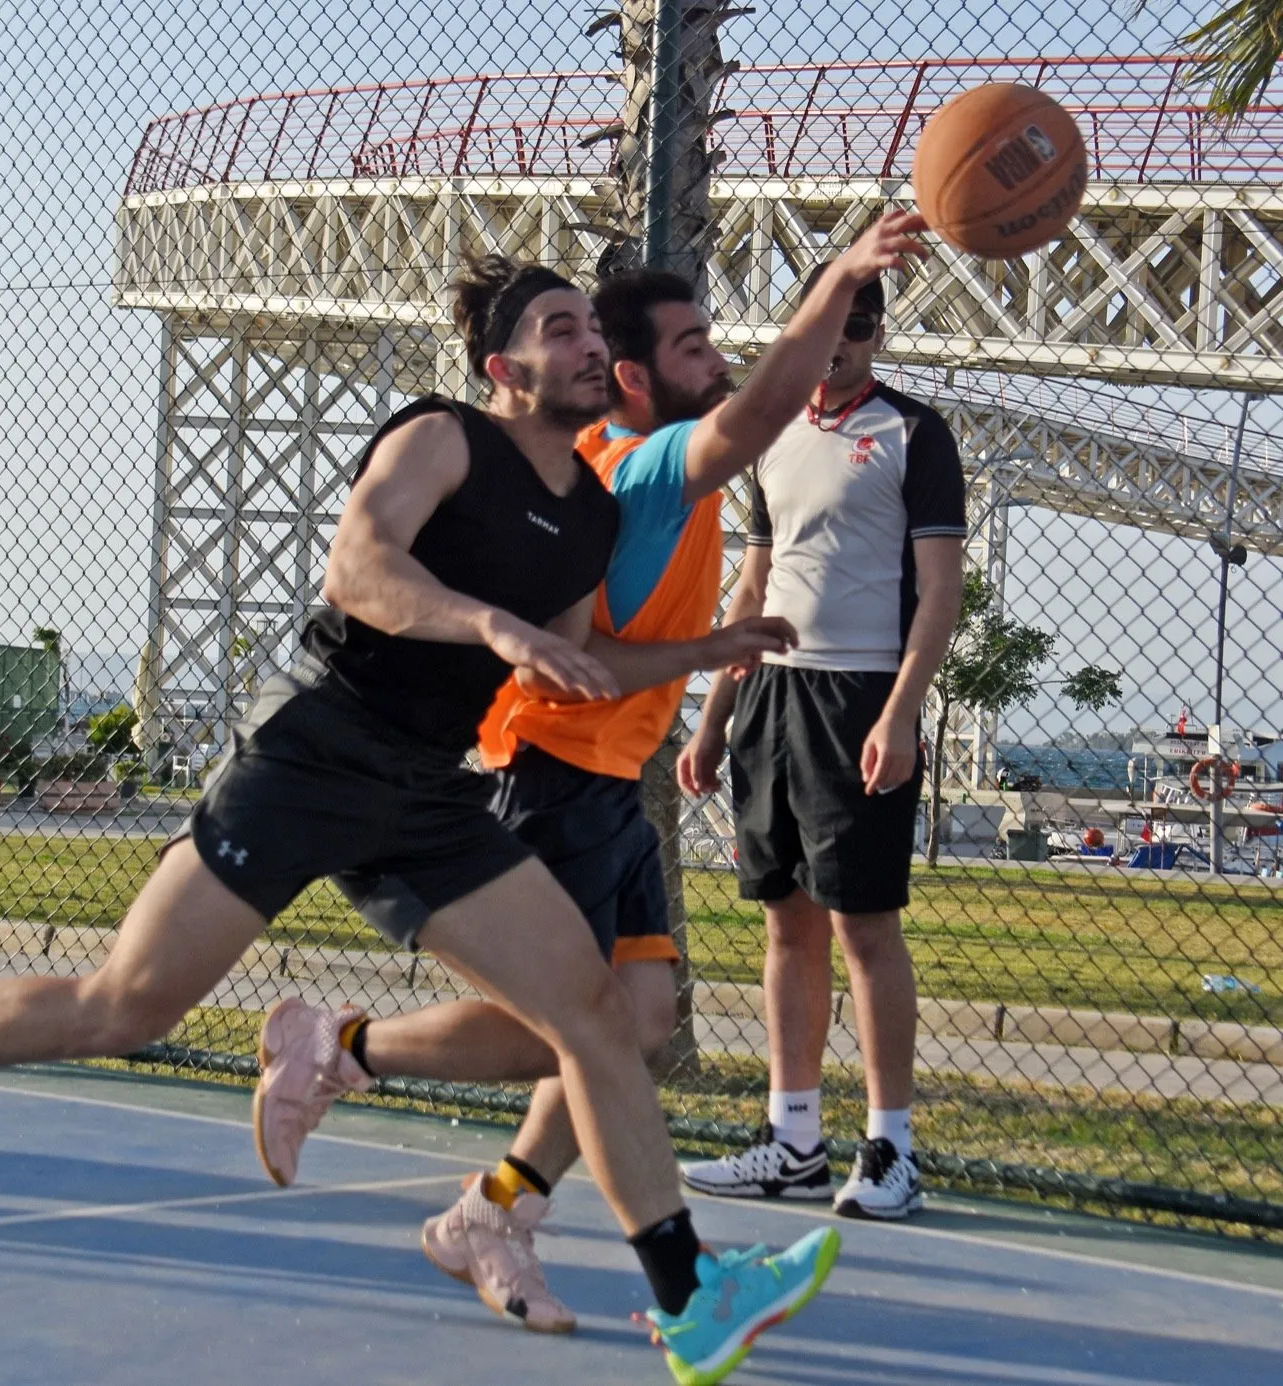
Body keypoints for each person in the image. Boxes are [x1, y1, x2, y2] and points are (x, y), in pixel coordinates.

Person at [0, 252, 833, 1386]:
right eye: (559, 331)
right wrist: (487, 625)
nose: (587, 347)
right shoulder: (442, 437)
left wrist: (702, 654)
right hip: (312, 750)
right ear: (503, 369)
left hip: (422, 790)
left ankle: (688, 1296)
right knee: (127, 1005)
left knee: (595, 1016)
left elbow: (580, 656)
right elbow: (360, 572)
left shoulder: (590, 515)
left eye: (588, 332)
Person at [251, 214, 931, 1334]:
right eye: (695, 348)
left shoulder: (640, 479)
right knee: (579, 1028)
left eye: (718, 343)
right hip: (551, 771)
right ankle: (342, 1048)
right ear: (629, 376)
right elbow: (762, 412)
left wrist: (708, 670)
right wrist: (845, 276)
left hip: (607, 782)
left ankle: (494, 1207)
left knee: (636, 1024)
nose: (719, 363)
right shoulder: (648, 466)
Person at [676, 255, 967, 1221]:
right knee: (784, 920)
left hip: (862, 695)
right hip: (772, 696)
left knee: (863, 926)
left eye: (854, 323)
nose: (836, 340)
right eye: (820, 321)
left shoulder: (914, 434)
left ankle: (891, 1149)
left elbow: (940, 593)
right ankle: (793, 1136)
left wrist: (901, 711)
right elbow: (753, 586)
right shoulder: (773, 438)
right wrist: (714, 718)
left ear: (876, 333)